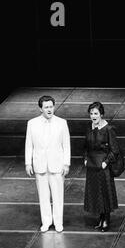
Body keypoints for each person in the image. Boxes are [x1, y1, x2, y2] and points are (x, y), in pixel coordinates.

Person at [25, 96, 71, 233]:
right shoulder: (32, 123)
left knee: (58, 195)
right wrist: (28, 163)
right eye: (46, 107)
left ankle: (58, 222)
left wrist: (66, 164)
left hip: (56, 164)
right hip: (40, 164)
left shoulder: (62, 123)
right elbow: (29, 145)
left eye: (51, 106)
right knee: (43, 196)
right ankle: (46, 221)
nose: (49, 109)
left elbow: (66, 145)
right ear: (41, 108)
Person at [83, 102, 119, 232]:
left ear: (101, 114)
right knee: (96, 192)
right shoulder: (89, 127)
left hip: (103, 165)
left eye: (96, 113)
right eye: (91, 113)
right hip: (92, 165)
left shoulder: (108, 129)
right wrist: (86, 158)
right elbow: (86, 145)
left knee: (105, 193)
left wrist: (106, 162)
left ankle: (106, 219)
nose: (93, 116)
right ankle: (100, 217)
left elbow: (114, 150)